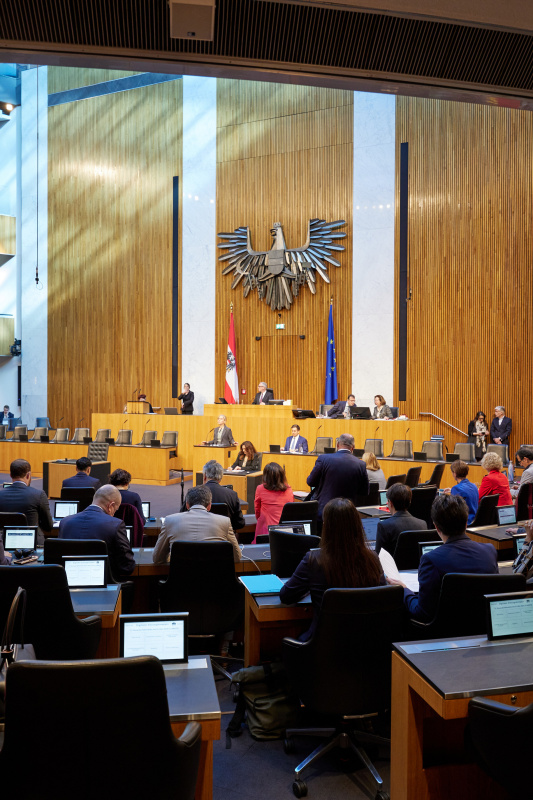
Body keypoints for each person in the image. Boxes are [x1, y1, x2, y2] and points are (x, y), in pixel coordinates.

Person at [279, 498, 386, 641]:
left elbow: (286, 596)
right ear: (357, 525)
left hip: (322, 647)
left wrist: (307, 589)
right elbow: (381, 595)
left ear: (326, 526)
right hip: (365, 645)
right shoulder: (372, 558)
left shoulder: (314, 560)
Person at [388, 494, 498, 622]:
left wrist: (404, 589)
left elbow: (422, 613)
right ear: (466, 522)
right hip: (483, 627)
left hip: (442, 634)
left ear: (436, 527)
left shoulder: (430, 560)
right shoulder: (490, 551)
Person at [58, 484, 135, 579]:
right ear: (111, 506)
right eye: (115, 510)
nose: (114, 513)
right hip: (105, 584)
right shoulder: (115, 525)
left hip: (68, 584)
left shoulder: (65, 522)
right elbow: (127, 566)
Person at [153, 485, 241, 564]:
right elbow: (237, 557)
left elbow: (157, 558)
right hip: (214, 581)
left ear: (187, 505)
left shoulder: (169, 521)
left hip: (180, 581)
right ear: (209, 506)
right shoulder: (224, 522)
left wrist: (173, 557)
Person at [306, 433, 369, 527]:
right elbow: (365, 491)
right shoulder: (361, 464)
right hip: (347, 514)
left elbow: (310, 482)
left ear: (337, 445)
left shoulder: (323, 459)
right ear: (353, 448)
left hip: (324, 513)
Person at [179, 459, 245, 531]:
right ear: (220, 478)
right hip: (224, 538)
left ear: (204, 476)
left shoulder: (192, 492)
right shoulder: (232, 495)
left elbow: (182, 517)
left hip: (198, 536)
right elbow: (240, 523)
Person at [0, 459, 53, 546]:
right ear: (28, 475)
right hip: (34, 546)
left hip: (5, 545)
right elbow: (48, 526)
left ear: (10, 475)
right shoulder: (38, 495)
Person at [375, 483, 427, 555]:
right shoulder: (422, 524)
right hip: (417, 566)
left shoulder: (384, 526)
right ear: (410, 501)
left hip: (392, 566)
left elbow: (379, 555)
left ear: (390, 503)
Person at [254, 462, 294, 541]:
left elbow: (257, 511)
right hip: (285, 532)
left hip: (265, 531)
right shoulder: (289, 490)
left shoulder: (260, 488)